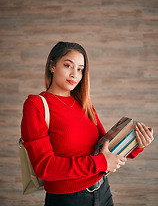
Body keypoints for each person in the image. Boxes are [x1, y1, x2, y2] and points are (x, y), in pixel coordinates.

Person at [21, 41, 154, 206]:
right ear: (52, 66)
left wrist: (136, 145)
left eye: (80, 69)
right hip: (68, 200)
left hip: (103, 191)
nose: (74, 74)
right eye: (68, 65)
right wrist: (101, 163)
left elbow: (104, 149)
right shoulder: (36, 105)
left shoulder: (84, 103)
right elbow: (44, 166)